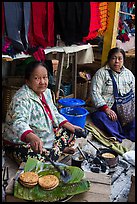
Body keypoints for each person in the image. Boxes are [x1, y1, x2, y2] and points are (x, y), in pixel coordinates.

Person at [3, 61, 83, 165]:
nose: (42, 82)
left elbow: (54, 112)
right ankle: (55, 151)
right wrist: (31, 136)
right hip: (22, 142)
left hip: (45, 137)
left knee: (71, 132)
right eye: (36, 78)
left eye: (45, 77)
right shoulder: (22, 98)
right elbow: (19, 122)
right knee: (36, 160)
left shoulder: (47, 92)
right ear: (27, 81)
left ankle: (53, 151)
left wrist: (70, 126)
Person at [90, 47, 135, 143]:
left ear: (123, 60)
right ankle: (120, 137)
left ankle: (128, 135)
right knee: (100, 117)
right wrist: (106, 109)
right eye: (114, 58)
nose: (117, 61)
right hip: (107, 109)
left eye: (120, 59)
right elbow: (95, 93)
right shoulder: (101, 74)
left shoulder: (129, 74)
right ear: (109, 59)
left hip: (125, 110)